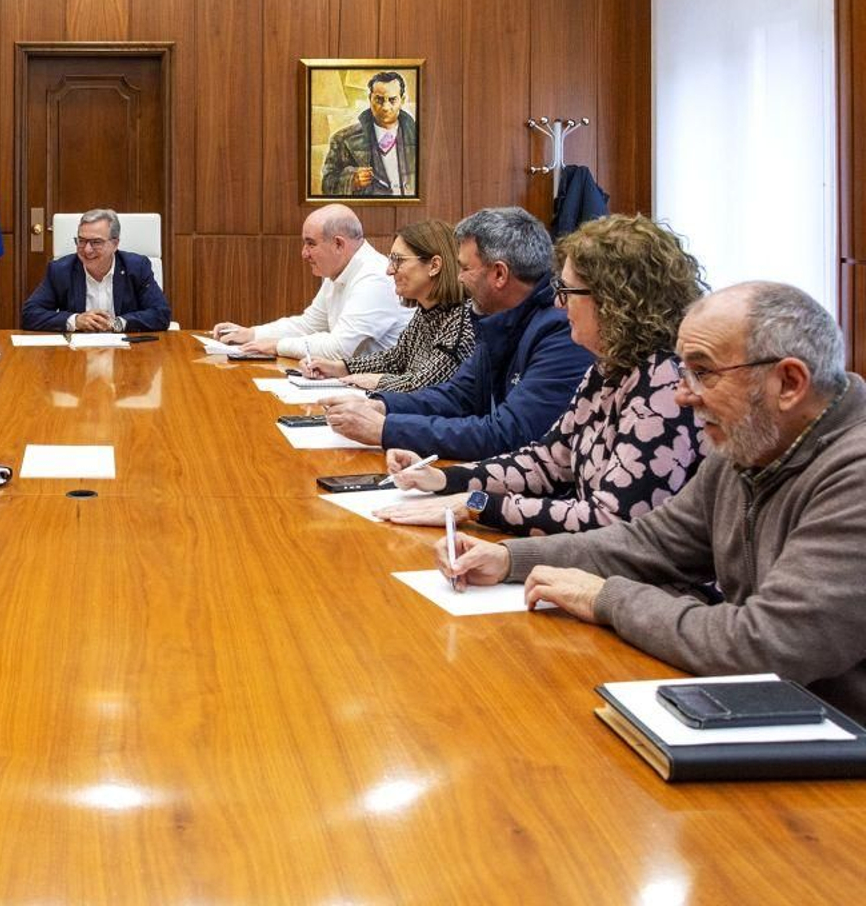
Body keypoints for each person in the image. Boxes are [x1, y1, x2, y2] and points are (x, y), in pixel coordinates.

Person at [438, 282, 866, 720]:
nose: (683, 394)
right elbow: (652, 543)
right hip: (780, 720)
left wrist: (608, 598)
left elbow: (768, 645)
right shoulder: (747, 446)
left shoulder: (854, 476)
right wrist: (512, 558)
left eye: (704, 373)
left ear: (789, 382)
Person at [377, 215, 707, 535]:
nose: (560, 305)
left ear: (615, 301)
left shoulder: (665, 382)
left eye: (568, 292)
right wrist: (445, 479)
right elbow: (547, 460)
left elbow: (613, 521)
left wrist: (480, 504)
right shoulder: (609, 367)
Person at [323, 207, 592, 459]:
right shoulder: (498, 319)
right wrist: (382, 406)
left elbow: (510, 433)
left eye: (465, 268)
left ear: (499, 274)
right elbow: (457, 395)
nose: (459, 278)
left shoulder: (561, 332)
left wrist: (386, 429)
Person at [298, 218, 475, 391]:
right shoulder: (427, 312)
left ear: (434, 266)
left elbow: (425, 386)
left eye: (399, 261)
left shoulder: (462, 322)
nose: (389, 270)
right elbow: (395, 359)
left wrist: (379, 381)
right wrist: (338, 367)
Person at [213, 205, 409, 361]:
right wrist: (252, 334)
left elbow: (339, 349)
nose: (304, 253)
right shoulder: (340, 270)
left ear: (339, 244)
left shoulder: (375, 276)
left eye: (311, 244)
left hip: (380, 393)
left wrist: (276, 345)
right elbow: (309, 325)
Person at [21, 208, 172, 332]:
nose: (87, 250)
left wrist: (117, 324)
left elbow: (160, 313)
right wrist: (76, 321)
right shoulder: (60, 270)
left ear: (115, 244)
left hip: (128, 354)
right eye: (81, 241)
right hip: (75, 355)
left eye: (96, 242)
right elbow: (30, 314)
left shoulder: (137, 267)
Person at [320, 70, 418, 198]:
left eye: (392, 100)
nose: (385, 107)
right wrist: (352, 180)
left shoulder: (420, 137)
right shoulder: (343, 139)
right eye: (379, 99)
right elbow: (327, 185)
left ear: (403, 100)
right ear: (369, 99)